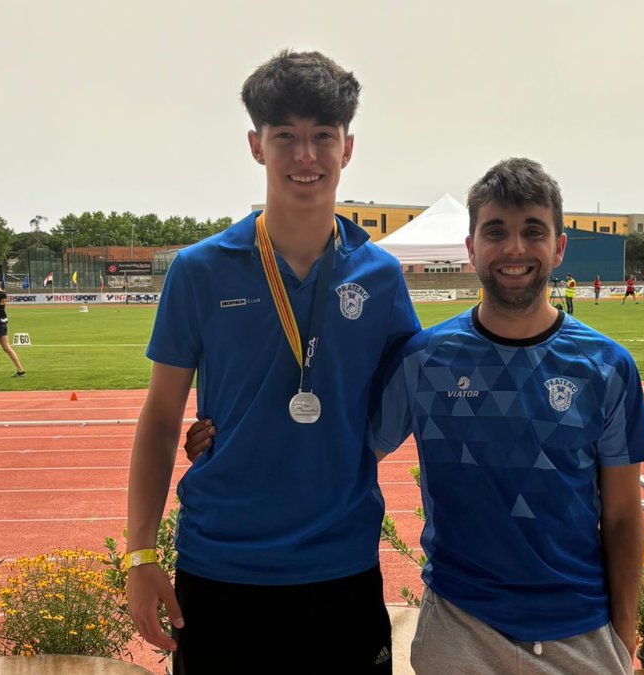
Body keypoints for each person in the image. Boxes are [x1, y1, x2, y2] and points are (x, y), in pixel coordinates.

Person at [125, 50, 418, 674]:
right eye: (285, 136)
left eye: (322, 137)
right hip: (221, 568)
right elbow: (157, 419)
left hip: (341, 567)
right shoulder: (199, 271)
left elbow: (407, 401)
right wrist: (140, 555)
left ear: (348, 147)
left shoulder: (381, 277)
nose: (306, 157)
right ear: (257, 146)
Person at [372, 159, 644, 673]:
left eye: (533, 231)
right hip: (459, 631)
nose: (515, 248)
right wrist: (232, 439)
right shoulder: (422, 359)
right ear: (471, 247)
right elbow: (343, 456)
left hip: (581, 637)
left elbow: (622, 515)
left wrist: (623, 634)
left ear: (559, 247)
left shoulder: (607, 366)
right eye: (496, 231)